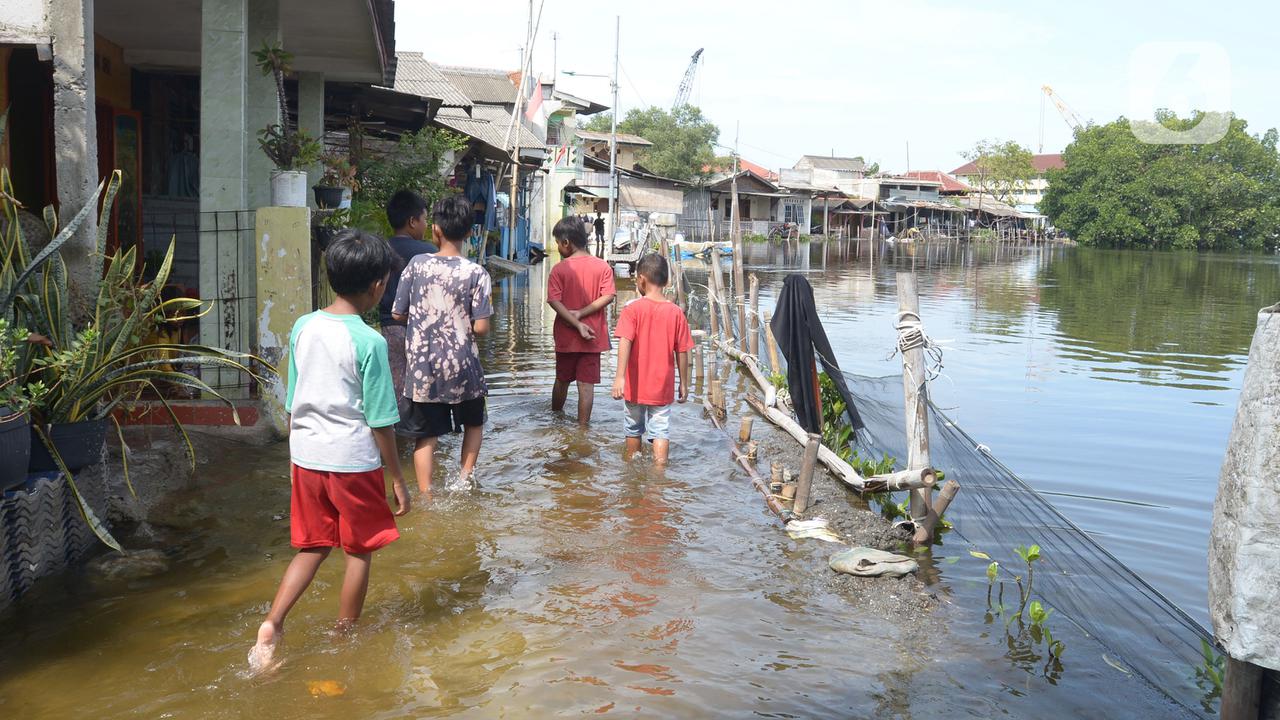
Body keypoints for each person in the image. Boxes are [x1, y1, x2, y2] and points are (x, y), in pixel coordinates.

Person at [249, 230, 410, 672]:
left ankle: (273, 623)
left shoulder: (304, 325)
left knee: (313, 547)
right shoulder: (370, 341)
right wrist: (397, 478)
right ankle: (344, 637)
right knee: (359, 552)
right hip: (351, 461)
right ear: (379, 285)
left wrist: (294, 461)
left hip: (307, 455)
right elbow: (380, 420)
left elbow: (293, 398)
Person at [392, 194, 493, 497]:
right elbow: (482, 327)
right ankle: (463, 481)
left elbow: (397, 312)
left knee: (425, 435)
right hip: (463, 366)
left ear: (435, 229)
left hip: (423, 367)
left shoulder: (417, 265)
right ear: (469, 232)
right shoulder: (476, 273)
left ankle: (426, 495)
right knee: (474, 424)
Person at [610, 253, 693, 466]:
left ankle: (631, 468)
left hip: (635, 385)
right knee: (660, 431)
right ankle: (659, 473)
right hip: (662, 387)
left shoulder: (631, 309)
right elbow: (682, 352)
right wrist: (684, 383)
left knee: (633, 429)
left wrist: (619, 378)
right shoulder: (676, 313)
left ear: (641, 280)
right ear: (666, 282)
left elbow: (625, 342)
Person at [547, 215, 616, 424]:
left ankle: (556, 420)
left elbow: (554, 301)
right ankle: (583, 429)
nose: (558, 247)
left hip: (567, 337)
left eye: (558, 243)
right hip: (592, 337)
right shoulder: (602, 267)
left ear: (566, 243)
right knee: (586, 386)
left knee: (562, 380)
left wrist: (575, 320)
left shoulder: (560, 269)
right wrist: (582, 315)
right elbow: (609, 295)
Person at [378, 190, 438, 403]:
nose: (425, 225)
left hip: (389, 329)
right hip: (420, 330)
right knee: (422, 391)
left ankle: (397, 435)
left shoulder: (380, 249)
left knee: (395, 388)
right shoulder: (428, 252)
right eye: (424, 219)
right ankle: (421, 435)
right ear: (412, 221)